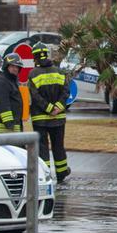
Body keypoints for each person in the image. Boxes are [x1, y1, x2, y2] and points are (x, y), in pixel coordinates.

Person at [27, 42, 70, 182]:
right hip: (59, 117)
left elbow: (35, 96)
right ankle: (62, 172)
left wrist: (48, 108)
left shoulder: (33, 74)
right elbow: (66, 92)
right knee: (58, 146)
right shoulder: (59, 72)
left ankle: (44, 174)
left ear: (35, 57)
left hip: (40, 119)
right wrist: (57, 107)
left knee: (42, 147)